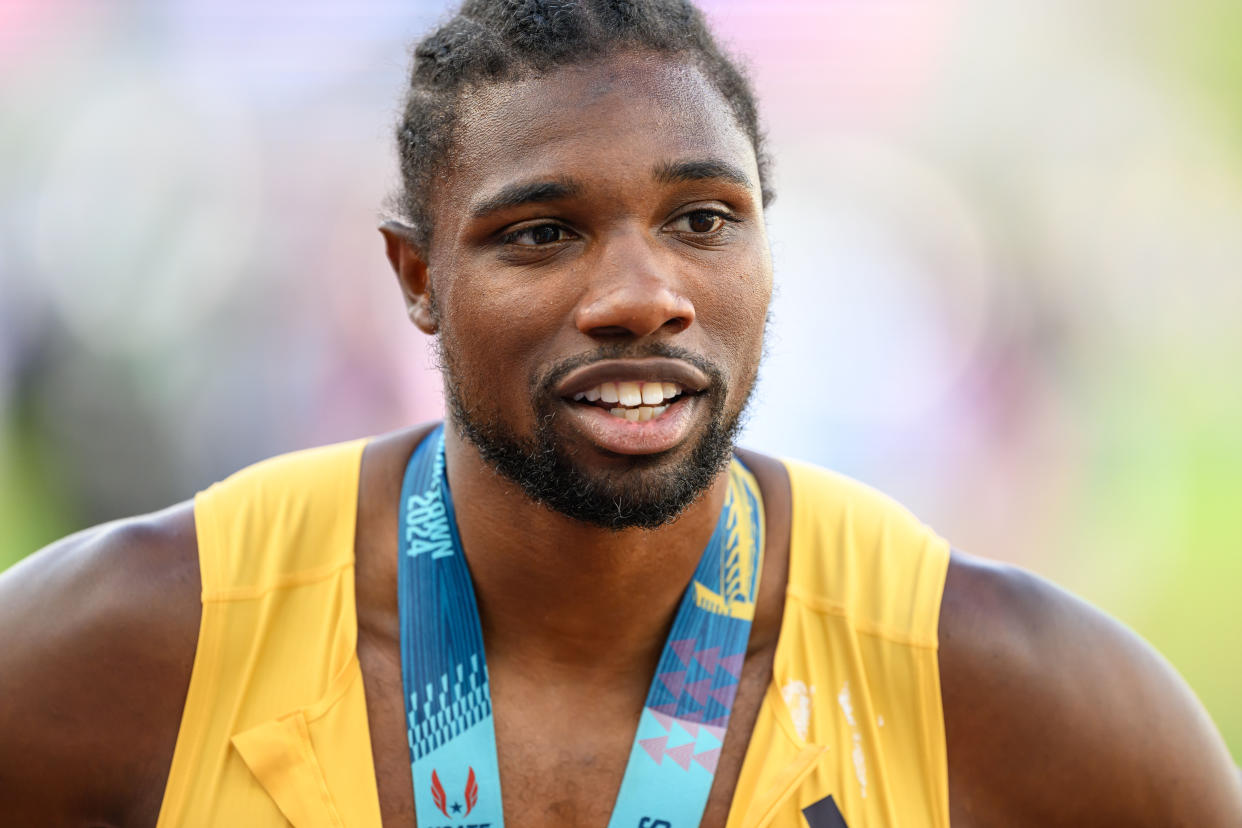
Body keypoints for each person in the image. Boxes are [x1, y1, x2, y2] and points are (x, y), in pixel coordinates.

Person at [1, 1, 1239, 825]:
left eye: (703, 220)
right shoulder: (145, 648)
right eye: (542, 234)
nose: (644, 298)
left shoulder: (991, 689)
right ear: (417, 277)